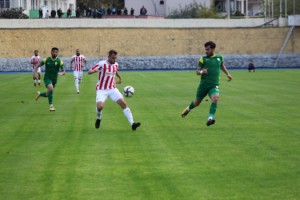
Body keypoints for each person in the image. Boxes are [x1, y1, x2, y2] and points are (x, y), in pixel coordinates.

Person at [181, 41, 233, 126]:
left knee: (215, 98)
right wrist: (202, 71)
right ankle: (188, 109)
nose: (206, 51)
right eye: (205, 49)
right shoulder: (203, 59)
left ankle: (210, 118)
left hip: (214, 85)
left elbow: (222, 65)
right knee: (197, 102)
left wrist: (228, 74)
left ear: (213, 49)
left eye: (208, 49)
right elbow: (197, 72)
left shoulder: (220, 57)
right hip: (204, 85)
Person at [88, 50, 141, 131]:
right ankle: (98, 118)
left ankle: (132, 124)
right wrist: (93, 71)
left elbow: (114, 70)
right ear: (108, 57)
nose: (114, 59)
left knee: (124, 104)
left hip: (112, 89)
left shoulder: (116, 64)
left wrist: (119, 78)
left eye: (115, 58)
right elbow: (89, 71)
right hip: (101, 90)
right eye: (113, 58)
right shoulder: (102, 64)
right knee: (100, 107)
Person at [34, 47, 65, 111]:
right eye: (53, 52)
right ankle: (51, 106)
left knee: (48, 94)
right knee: (51, 88)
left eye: (56, 52)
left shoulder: (59, 61)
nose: (55, 53)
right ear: (51, 52)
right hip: (47, 78)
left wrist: (62, 73)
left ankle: (39, 94)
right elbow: (37, 66)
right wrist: (35, 73)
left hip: (54, 79)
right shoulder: (46, 60)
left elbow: (64, 70)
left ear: (58, 53)